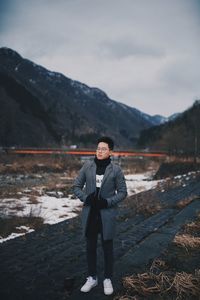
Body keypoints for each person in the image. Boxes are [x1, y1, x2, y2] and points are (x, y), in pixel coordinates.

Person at [73, 136, 127, 295]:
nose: (100, 151)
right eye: (98, 148)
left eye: (103, 149)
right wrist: (85, 198)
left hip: (107, 215)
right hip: (90, 214)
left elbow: (123, 193)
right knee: (90, 247)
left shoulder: (116, 170)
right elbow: (76, 186)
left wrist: (108, 202)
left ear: (110, 151)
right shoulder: (87, 166)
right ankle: (92, 278)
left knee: (107, 248)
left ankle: (107, 278)